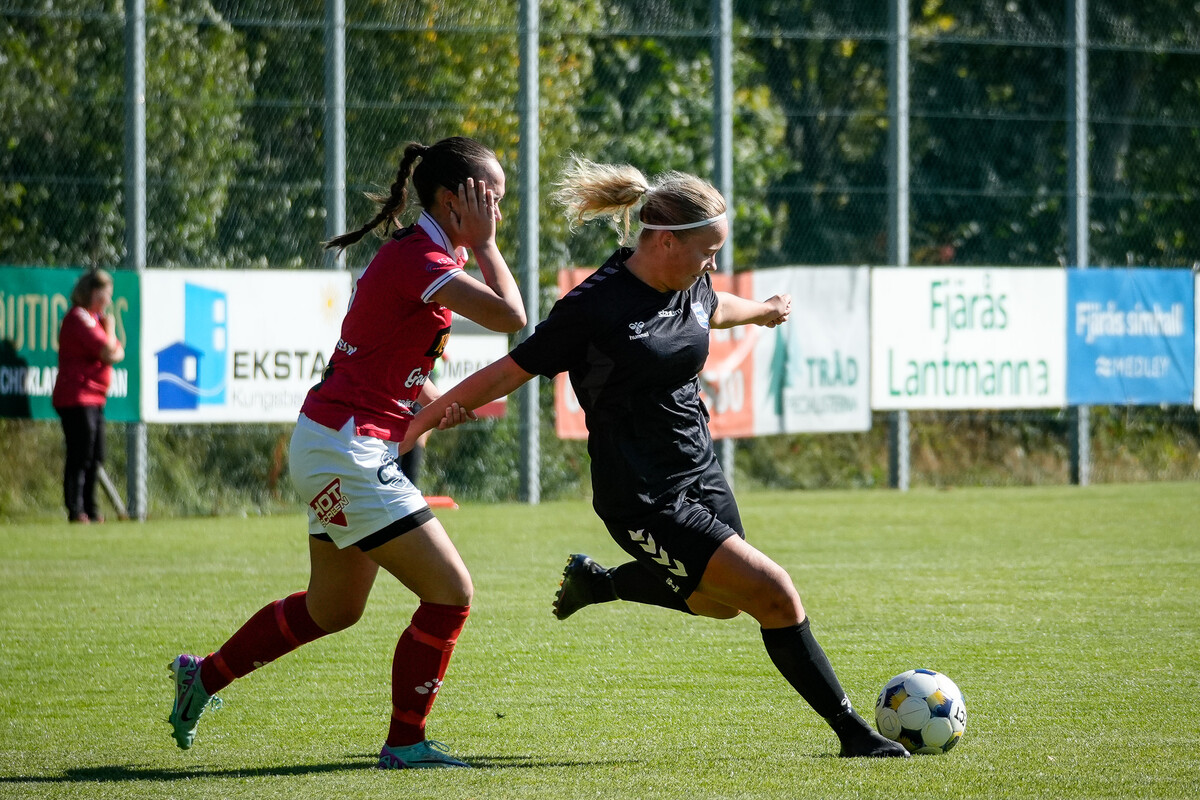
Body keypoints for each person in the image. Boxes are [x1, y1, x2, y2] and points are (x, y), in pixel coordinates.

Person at [404, 157, 910, 759]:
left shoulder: (688, 281)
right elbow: (507, 371)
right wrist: (418, 426)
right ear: (665, 241)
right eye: (708, 252)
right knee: (775, 594)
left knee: (720, 605)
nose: (712, 264)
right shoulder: (593, 307)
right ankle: (855, 735)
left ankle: (601, 584)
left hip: (700, 470)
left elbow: (714, 307)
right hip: (642, 495)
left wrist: (765, 310)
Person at [166, 136, 527, 769]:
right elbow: (510, 317)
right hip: (348, 450)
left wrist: (432, 403)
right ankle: (406, 743)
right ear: (453, 199)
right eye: (490, 198)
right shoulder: (422, 257)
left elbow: (382, 360)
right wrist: (489, 247)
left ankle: (204, 675)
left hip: (333, 442)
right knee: (451, 592)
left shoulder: (419, 254)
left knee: (332, 608)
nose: (499, 210)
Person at [52, 268, 125, 524]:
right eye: (106, 294)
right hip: (77, 396)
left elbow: (117, 353)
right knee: (80, 454)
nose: (109, 300)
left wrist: (112, 348)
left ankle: (91, 509)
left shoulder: (96, 319)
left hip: (96, 398)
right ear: (94, 293)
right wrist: (111, 330)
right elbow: (108, 349)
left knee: (96, 455)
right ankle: (76, 509)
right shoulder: (79, 317)